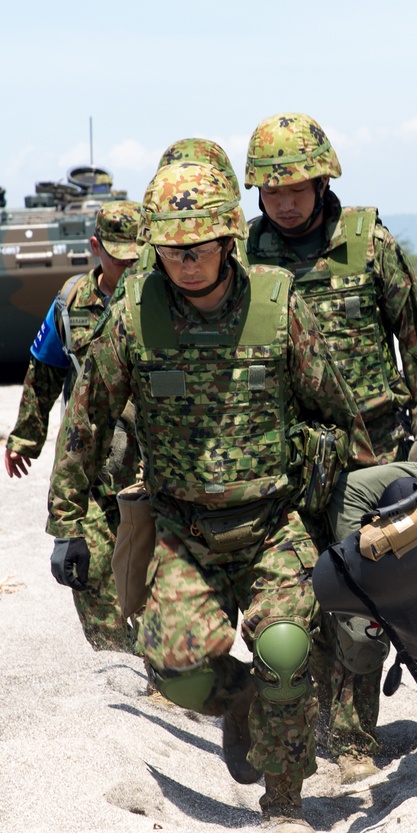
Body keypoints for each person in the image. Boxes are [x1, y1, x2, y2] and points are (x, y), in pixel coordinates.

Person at [45, 160, 376, 832]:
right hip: (182, 531)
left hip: (272, 523)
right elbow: (85, 422)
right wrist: (67, 524)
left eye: (197, 249)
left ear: (229, 239)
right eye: (170, 251)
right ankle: (244, 703)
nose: (185, 264)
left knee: (285, 649)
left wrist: (347, 499)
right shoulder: (133, 317)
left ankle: (284, 802)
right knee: (176, 672)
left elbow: (340, 415)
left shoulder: (278, 301)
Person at [243, 112, 417, 784]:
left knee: (366, 599)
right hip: (287, 460)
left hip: (373, 450)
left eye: (296, 187)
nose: (283, 201)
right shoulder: (245, 255)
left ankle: (355, 737)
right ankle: (299, 727)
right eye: (270, 191)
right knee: (302, 596)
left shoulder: (368, 244)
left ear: (323, 179)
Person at [6, 200, 142, 652]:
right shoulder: (70, 302)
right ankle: (115, 661)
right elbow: (42, 372)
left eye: (134, 258)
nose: (125, 267)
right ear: (95, 247)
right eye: (116, 256)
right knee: (88, 569)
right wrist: (26, 436)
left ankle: (160, 671)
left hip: (150, 468)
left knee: (153, 571)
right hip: (92, 467)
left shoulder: (158, 300)